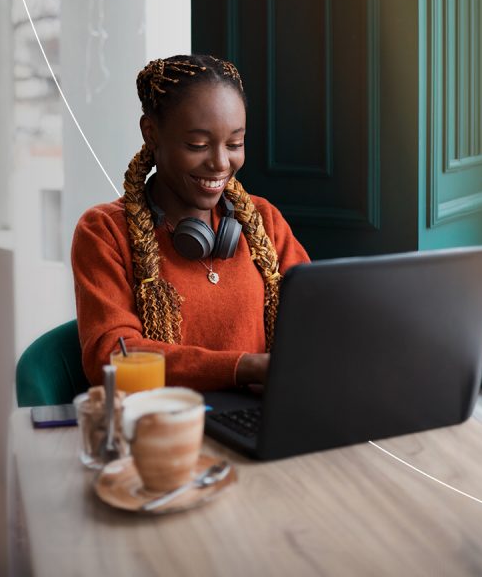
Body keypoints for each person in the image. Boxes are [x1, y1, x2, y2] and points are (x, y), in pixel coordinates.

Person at [71, 54, 310, 392]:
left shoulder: (263, 220)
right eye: (198, 145)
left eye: (235, 144)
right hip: (161, 425)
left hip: (261, 421)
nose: (220, 163)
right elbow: (113, 356)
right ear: (151, 134)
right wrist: (244, 368)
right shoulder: (104, 231)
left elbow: (315, 321)